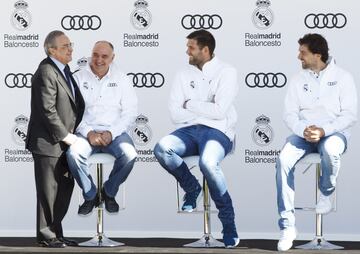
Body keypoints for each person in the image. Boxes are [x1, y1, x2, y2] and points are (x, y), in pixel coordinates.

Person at [154, 29, 239, 248]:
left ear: (205, 50)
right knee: (162, 148)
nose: (187, 51)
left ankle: (229, 225)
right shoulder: (183, 74)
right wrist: (205, 109)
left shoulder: (227, 71)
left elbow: (220, 112)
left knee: (208, 163)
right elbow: (174, 113)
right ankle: (192, 188)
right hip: (189, 130)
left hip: (219, 132)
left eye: (191, 47)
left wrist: (190, 104)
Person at [276, 33, 357, 251]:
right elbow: (289, 114)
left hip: (333, 133)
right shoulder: (297, 79)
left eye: (303, 53)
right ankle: (288, 227)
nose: (298, 56)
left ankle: (326, 192)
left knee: (330, 149)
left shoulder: (343, 77)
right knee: (283, 160)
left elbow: (349, 115)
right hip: (303, 134)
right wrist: (304, 129)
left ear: (317, 55)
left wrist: (324, 130)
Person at [26, 30, 85, 248]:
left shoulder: (65, 69)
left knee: (63, 190)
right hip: (48, 143)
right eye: (65, 46)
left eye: (71, 44)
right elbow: (47, 110)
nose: (71, 49)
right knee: (48, 192)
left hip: (65, 143)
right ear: (52, 50)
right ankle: (46, 235)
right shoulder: (46, 71)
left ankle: (56, 234)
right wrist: (66, 136)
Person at [66, 41, 137, 216]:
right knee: (73, 154)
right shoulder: (77, 78)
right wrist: (88, 132)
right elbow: (71, 112)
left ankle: (108, 192)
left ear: (113, 58)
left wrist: (111, 132)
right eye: (95, 55)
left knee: (129, 154)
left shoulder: (122, 79)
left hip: (115, 133)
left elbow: (130, 113)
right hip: (85, 133)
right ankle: (90, 194)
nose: (99, 60)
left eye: (104, 56)